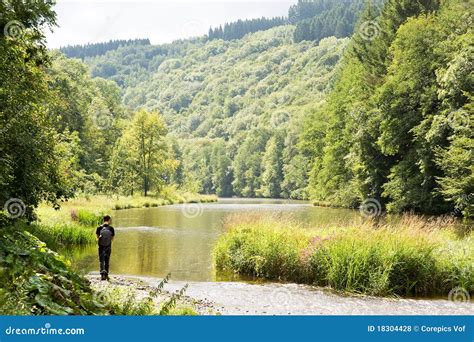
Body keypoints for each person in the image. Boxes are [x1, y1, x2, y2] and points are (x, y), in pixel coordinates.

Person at [96, 215, 115, 280]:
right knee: (107, 261)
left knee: (101, 261)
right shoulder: (111, 228)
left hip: (101, 247)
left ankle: (102, 275)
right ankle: (106, 275)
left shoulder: (99, 228)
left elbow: (97, 238)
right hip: (108, 247)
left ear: (103, 220)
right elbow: (112, 239)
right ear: (109, 220)